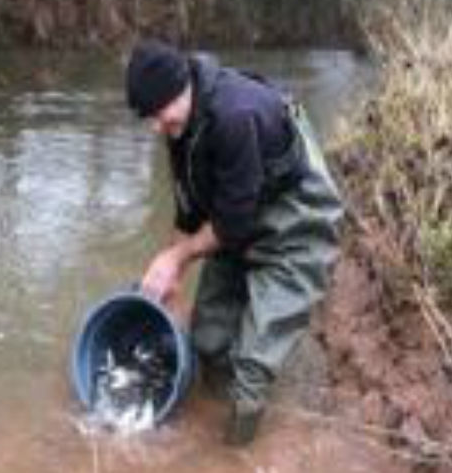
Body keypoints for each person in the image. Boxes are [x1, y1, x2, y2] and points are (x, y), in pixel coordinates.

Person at [125, 39, 343, 445]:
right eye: (148, 118)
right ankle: (212, 414)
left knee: (251, 366)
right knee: (207, 340)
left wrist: (177, 256)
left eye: (158, 113)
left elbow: (229, 226)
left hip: (298, 225)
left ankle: (236, 457)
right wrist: (172, 273)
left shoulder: (236, 115)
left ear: (181, 86)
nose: (156, 126)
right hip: (240, 213)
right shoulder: (179, 124)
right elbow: (190, 210)